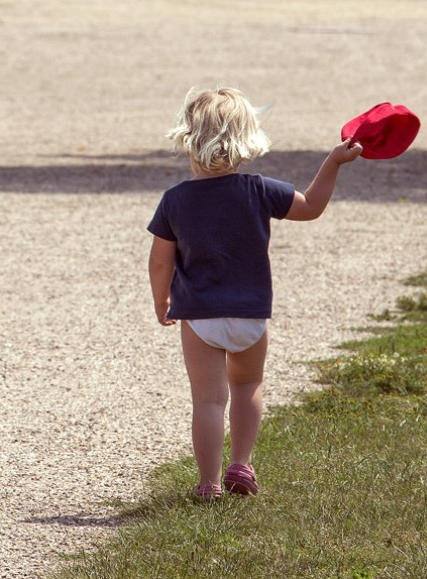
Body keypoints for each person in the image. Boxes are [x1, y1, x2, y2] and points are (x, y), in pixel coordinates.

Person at [147, 87, 360, 501]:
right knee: (247, 388)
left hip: (200, 317)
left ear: (188, 138)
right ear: (247, 139)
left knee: (209, 401)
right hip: (250, 315)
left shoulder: (175, 200)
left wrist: (162, 300)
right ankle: (241, 464)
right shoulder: (261, 189)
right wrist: (333, 161)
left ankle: (209, 484)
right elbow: (312, 206)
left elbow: (160, 262)